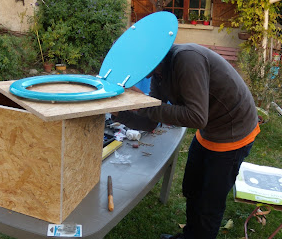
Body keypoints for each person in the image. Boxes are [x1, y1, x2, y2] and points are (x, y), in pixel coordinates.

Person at [111, 43, 260, 239]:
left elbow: (196, 117)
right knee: (192, 187)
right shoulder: (159, 72)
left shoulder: (187, 59)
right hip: (210, 128)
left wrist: (143, 105)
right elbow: (151, 122)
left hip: (233, 131)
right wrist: (119, 113)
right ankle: (190, 235)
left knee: (209, 202)